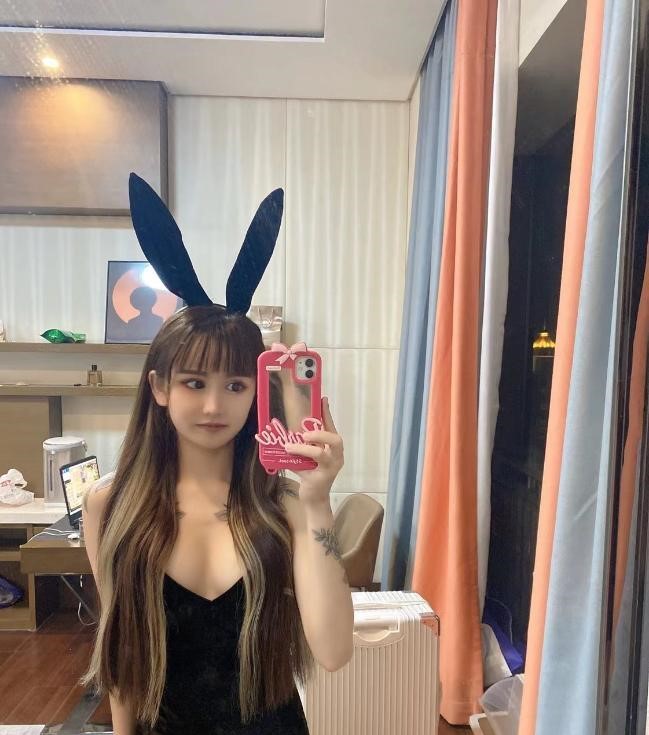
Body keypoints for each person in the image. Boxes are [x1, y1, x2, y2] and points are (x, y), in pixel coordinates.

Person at [80, 175, 354, 734]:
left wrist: (318, 501)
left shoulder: (285, 507)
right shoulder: (110, 505)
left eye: (234, 385)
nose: (213, 405)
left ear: (257, 391)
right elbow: (125, 657)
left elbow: (333, 651)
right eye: (194, 382)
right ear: (160, 387)